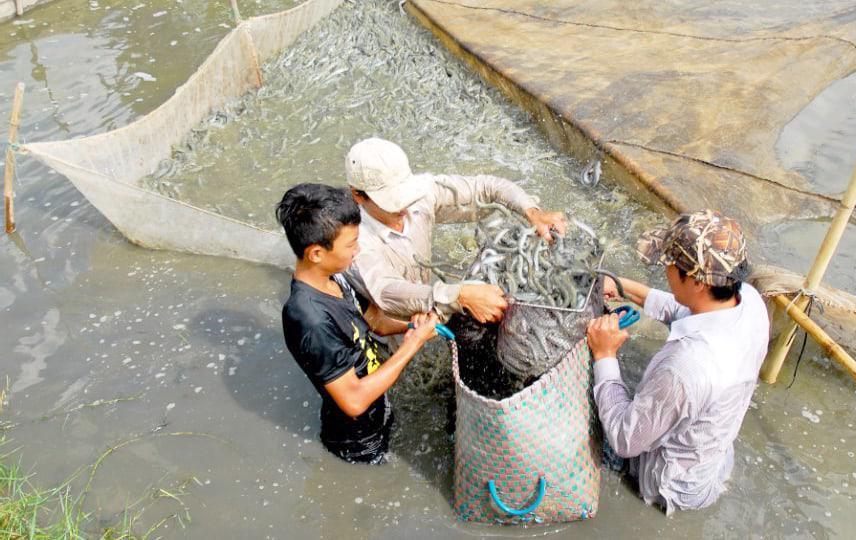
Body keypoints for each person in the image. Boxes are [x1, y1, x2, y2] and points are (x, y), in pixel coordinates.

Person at [585, 209, 769, 514]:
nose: (665, 269)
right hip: (710, 460)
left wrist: (605, 355)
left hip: (668, 486)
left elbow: (623, 439)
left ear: (697, 282)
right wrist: (623, 287)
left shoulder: (685, 368)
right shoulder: (748, 301)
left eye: (671, 264)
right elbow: (688, 309)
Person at [276, 183, 439, 464]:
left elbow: (374, 320)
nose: (358, 249)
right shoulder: (310, 320)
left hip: (377, 401)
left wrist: (411, 327)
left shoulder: (334, 277)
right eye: (351, 244)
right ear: (316, 253)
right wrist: (412, 346)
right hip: (358, 441)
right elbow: (353, 402)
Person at [342, 137, 567, 323]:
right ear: (358, 195)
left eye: (404, 194)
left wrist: (532, 212)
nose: (403, 206)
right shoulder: (350, 240)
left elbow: (487, 188)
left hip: (434, 305)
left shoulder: (421, 192)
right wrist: (459, 295)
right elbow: (386, 291)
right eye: (391, 201)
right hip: (391, 327)